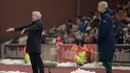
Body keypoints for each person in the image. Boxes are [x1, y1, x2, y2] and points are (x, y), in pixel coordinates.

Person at [97, 1, 115, 73]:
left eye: (98, 6)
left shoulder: (106, 17)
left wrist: (99, 40)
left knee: (106, 61)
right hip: (107, 42)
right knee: (106, 62)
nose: (97, 8)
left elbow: (104, 31)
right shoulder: (106, 16)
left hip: (106, 43)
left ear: (102, 8)